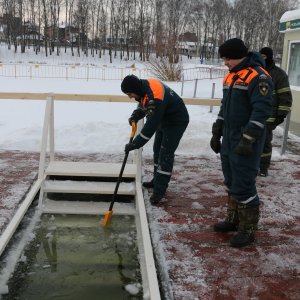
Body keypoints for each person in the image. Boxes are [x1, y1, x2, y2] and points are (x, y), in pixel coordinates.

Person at [210, 38, 273, 248]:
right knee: (230, 180)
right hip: (228, 138)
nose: (225, 62)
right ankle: (233, 219)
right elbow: (224, 105)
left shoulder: (259, 77)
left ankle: (248, 230)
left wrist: (248, 138)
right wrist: (217, 128)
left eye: (228, 58)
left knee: (244, 183)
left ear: (239, 56)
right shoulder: (231, 77)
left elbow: (261, 111)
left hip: (247, 140)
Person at [121, 75, 189, 205]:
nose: (129, 97)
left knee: (165, 154)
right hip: (164, 119)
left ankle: (160, 190)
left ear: (135, 88)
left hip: (176, 121)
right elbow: (143, 103)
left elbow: (150, 125)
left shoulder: (155, 96)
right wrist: (135, 115)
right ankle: (156, 180)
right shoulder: (144, 88)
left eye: (129, 93)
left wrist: (135, 144)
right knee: (157, 150)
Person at [258, 47, 293, 177]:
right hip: (253, 116)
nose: (262, 59)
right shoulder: (255, 72)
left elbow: (285, 97)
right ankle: (252, 166)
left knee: (265, 144)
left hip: (270, 118)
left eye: (264, 56)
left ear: (270, 57)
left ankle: (263, 168)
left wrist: (280, 116)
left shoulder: (279, 74)